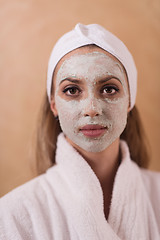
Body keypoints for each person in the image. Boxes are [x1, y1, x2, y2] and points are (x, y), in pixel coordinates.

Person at [0, 23, 160, 240]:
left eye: (109, 89)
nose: (92, 109)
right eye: (72, 90)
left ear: (130, 100)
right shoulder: (12, 216)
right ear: (54, 104)